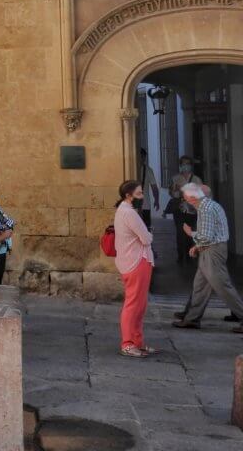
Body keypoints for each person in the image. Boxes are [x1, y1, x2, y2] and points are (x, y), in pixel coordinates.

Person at [172, 183, 243, 330]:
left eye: (185, 196)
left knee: (223, 286)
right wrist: (198, 246)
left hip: (212, 250)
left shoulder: (205, 209)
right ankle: (192, 319)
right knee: (200, 286)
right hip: (211, 249)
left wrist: (190, 233)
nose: (184, 199)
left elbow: (206, 236)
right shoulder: (210, 205)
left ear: (191, 197)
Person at [113, 179, 156, 358]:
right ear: (128, 196)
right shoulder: (129, 213)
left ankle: (137, 341)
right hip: (137, 261)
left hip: (133, 261)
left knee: (140, 304)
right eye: (139, 193)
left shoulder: (124, 211)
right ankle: (128, 343)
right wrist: (150, 235)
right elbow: (146, 238)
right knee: (133, 304)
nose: (142, 196)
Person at [167, 155, 202, 264]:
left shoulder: (196, 179)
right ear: (180, 165)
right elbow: (172, 193)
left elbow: (200, 195)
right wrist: (176, 191)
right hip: (179, 209)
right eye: (183, 164)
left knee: (191, 233)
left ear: (191, 166)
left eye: (187, 164)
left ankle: (190, 253)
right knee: (180, 233)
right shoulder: (175, 178)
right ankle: (181, 255)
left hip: (192, 210)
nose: (185, 166)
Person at [137, 148, 160, 229]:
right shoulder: (148, 170)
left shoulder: (148, 170)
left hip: (142, 204)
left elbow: (154, 187)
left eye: (143, 157)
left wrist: (156, 200)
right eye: (142, 157)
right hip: (141, 205)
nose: (143, 159)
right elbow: (154, 187)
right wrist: (156, 201)